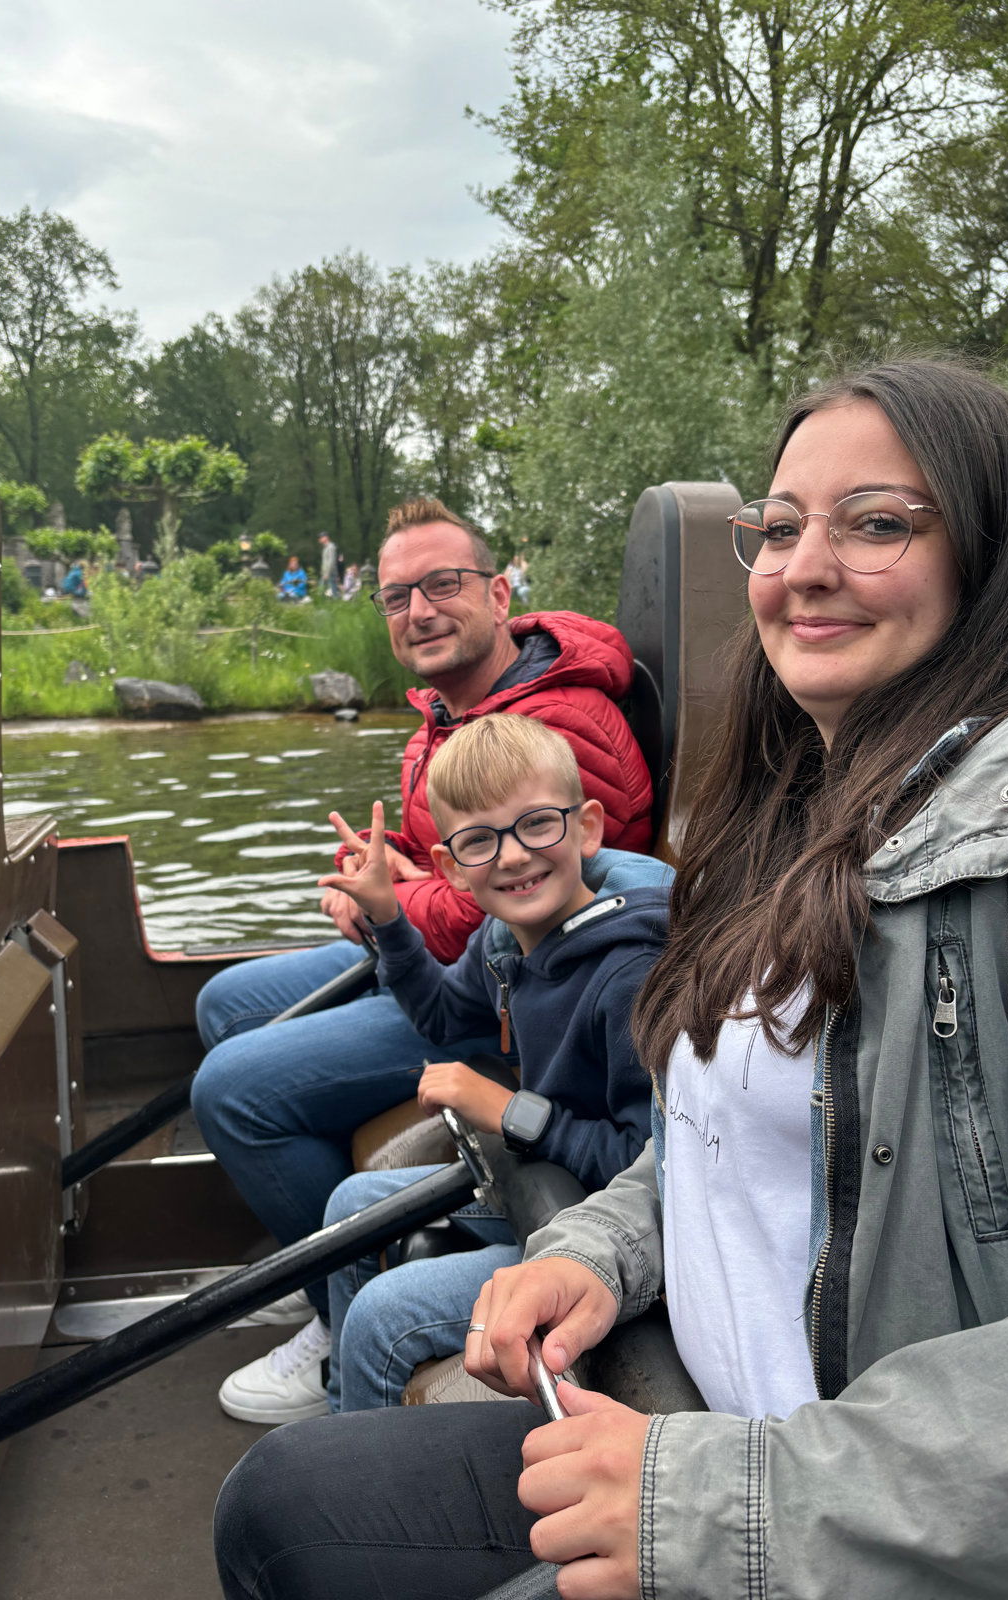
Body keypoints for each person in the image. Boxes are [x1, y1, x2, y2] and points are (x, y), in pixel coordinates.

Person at [212, 359, 1008, 1600]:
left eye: (878, 523)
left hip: (828, 1507)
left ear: (997, 554)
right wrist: (599, 1251)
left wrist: (713, 1501)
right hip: (687, 1416)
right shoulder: (786, 819)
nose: (803, 566)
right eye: (779, 526)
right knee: (273, 1504)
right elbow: (721, 1138)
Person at [190, 495, 653, 1410]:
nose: (421, 610)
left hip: (539, 1051)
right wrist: (391, 902)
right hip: (484, 973)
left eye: (444, 585)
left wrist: (405, 899)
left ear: (499, 592)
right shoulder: (448, 720)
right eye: (398, 595)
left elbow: (541, 895)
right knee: (225, 1002)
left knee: (234, 1088)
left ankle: (340, 1322)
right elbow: (478, 917)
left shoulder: (562, 738)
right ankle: (334, 1299)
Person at [217, 715, 670, 1424]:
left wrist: (504, 1110)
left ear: (586, 828)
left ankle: (361, 1473)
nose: (515, 857)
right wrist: (388, 921)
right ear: (452, 866)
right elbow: (439, 1016)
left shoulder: (628, 976)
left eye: (537, 826)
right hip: (543, 1185)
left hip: (606, 1225)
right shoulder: (505, 936)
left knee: (380, 1318)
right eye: (482, 840)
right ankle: (343, 1413)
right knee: (349, 1210)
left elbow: (649, 1164)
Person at [318, 532, 340, 598]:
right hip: (325, 573)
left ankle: (337, 604)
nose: (319, 539)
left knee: (333, 591)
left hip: (330, 573)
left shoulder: (331, 547)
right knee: (321, 590)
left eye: (321, 537)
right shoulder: (325, 548)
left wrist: (327, 573)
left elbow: (331, 561)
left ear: (326, 537)